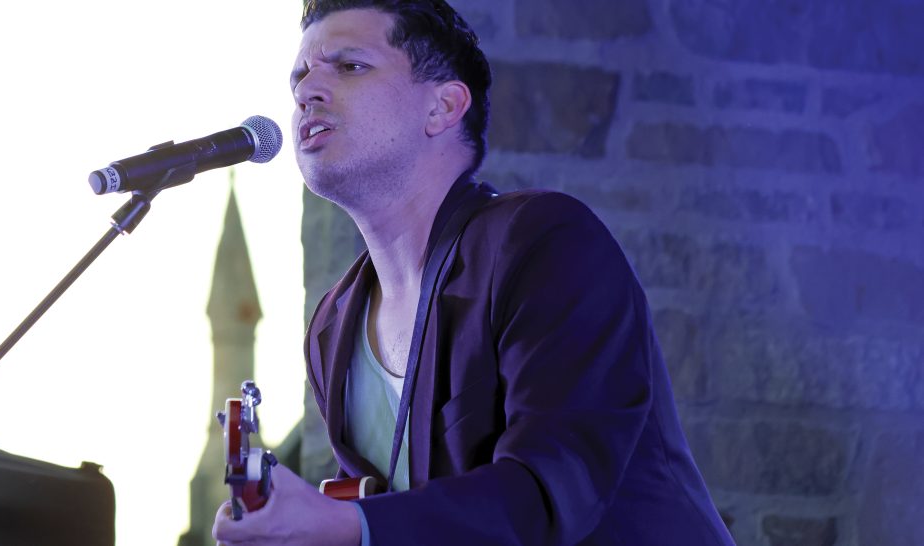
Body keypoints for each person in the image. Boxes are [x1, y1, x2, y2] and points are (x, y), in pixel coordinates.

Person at [214, 1, 736, 544]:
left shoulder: (545, 242)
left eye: (350, 66)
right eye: (299, 76)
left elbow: (549, 491)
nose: (307, 90)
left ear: (442, 107)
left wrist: (350, 524)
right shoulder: (332, 327)